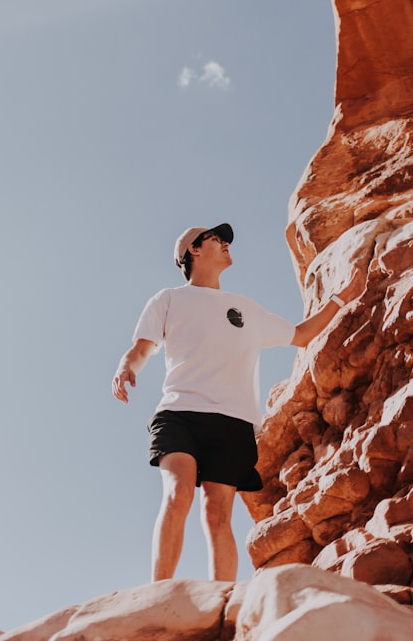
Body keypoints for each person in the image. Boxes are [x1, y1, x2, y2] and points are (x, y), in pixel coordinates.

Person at [111, 222, 363, 582]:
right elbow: (141, 348)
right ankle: (159, 590)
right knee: (178, 493)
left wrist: (343, 297)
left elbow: (303, 334)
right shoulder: (168, 299)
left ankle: (223, 599)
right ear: (193, 250)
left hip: (232, 420)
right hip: (179, 413)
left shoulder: (245, 308)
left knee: (217, 513)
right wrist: (125, 368)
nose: (226, 243)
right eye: (216, 239)